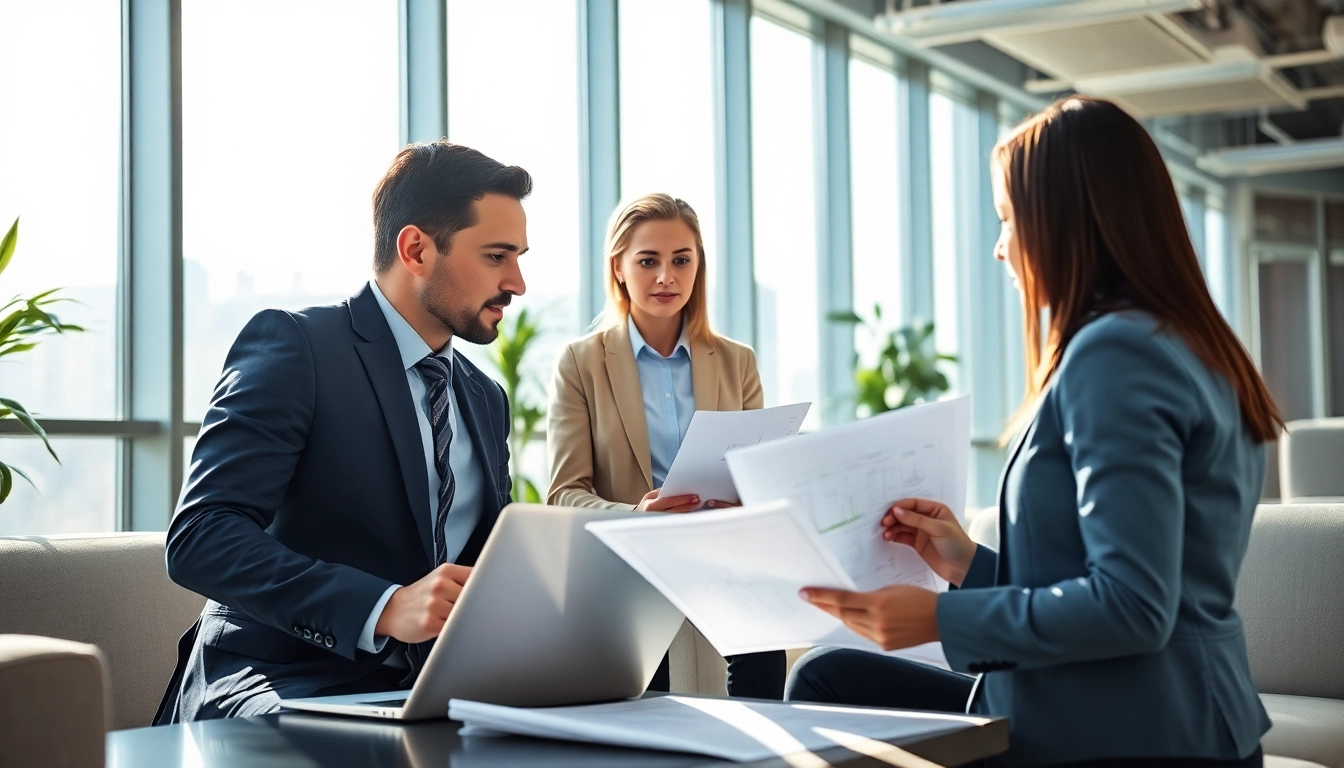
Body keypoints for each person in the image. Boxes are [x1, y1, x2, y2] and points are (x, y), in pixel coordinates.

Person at [787, 97, 1281, 767]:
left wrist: (937, 619)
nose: (1000, 248)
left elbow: (1134, 605)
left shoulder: (1115, 353)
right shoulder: (1188, 344)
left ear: (1067, 220)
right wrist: (967, 565)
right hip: (1176, 718)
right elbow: (1130, 576)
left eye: (1008, 219)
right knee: (826, 676)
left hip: (1131, 734)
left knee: (822, 686)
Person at [154, 141, 531, 722]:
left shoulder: (484, 397)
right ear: (415, 249)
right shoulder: (298, 347)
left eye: (519, 258)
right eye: (497, 256)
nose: (518, 282)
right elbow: (201, 537)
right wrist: (384, 607)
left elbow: (483, 565)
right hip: (277, 679)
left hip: (428, 690)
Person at [546, 193, 786, 699]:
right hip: (635, 561)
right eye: (648, 261)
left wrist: (749, 500)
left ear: (698, 266)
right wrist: (637, 516)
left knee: (766, 645)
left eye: (681, 260)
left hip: (722, 555)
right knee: (649, 700)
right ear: (618, 267)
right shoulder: (581, 363)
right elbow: (564, 494)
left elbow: (759, 474)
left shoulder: (737, 362)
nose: (665, 277)